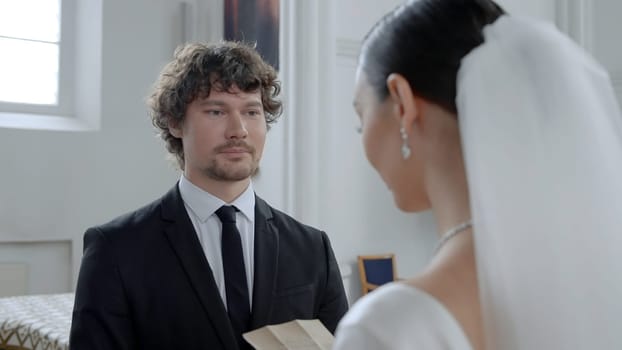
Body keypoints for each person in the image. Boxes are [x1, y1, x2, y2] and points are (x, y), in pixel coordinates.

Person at [333, 0, 622, 349]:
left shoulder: (386, 327)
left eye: (360, 118)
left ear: (402, 102)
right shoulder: (591, 283)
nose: (361, 135)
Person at [70, 41, 348, 350]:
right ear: (175, 122)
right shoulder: (116, 249)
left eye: (252, 111)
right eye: (216, 111)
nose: (238, 130)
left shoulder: (313, 248)